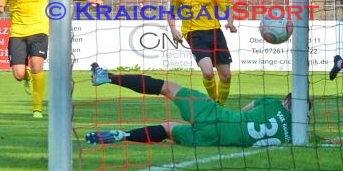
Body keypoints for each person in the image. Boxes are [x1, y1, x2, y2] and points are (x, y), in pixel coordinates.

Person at [0, 0, 103, 119]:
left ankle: (37, 109)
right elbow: (0, 8)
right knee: (18, 74)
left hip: (39, 30)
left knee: (38, 65)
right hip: (17, 32)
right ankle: (26, 77)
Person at [86, 63, 310, 147]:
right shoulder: (297, 135)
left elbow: (247, 108)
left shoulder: (272, 103)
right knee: (167, 129)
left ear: (288, 100)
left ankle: (108, 77)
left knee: (167, 87)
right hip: (212, 141)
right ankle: (123, 135)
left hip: (219, 117)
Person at [168, 0, 237, 106]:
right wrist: (174, 30)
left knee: (226, 76)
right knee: (207, 72)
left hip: (215, 32)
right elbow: (171, 13)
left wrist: (230, 23)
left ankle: (221, 106)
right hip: (194, 34)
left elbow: (227, 8)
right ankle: (213, 102)